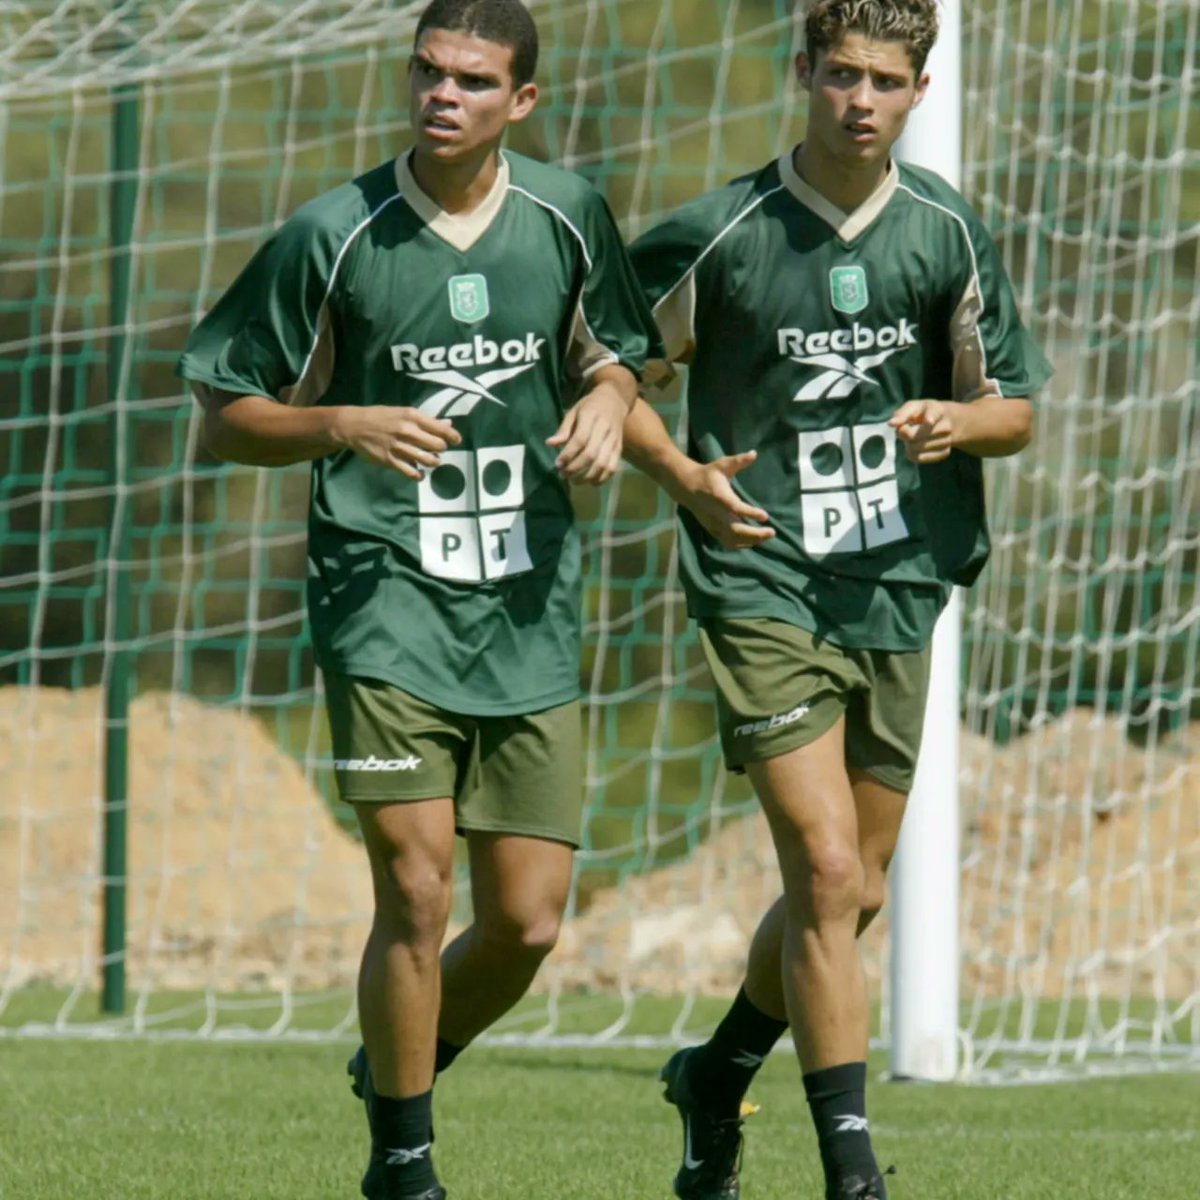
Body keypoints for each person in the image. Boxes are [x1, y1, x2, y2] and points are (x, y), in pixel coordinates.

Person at [177, 1, 661, 1196]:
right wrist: (340, 421)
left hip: (528, 598)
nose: (444, 94)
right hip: (382, 593)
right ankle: (403, 1163)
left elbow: (616, 353)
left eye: (474, 81)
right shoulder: (332, 233)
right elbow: (226, 411)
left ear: (523, 102)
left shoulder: (568, 215)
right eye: (430, 72)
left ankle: (401, 1062)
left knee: (528, 922)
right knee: (414, 884)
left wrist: (608, 404)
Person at [622, 2, 1052, 1198]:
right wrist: (683, 476)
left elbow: (1015, 410)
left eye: (886, 81)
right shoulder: (722, 231)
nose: (862, 100)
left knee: (853, 889)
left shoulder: (945, 232)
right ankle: (852, 1173)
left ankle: (717, 1075)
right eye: (843, 75)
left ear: (921, 92)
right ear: (803, 71)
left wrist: (958, 419)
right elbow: (605, 369)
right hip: (761, 573)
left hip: (899, 579)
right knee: (821, 869)